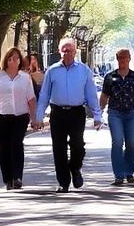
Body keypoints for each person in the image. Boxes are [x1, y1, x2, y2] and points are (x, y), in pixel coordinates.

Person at [34, 37, 102, 192]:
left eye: (70, 50)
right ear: (59, 52)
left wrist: (97, 116)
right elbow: (44, 95)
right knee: (59, 148)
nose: (67, 53)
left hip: (77, 112)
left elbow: (91, 94)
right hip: (57, 112)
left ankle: (75, 167)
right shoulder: (52, 71)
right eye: (64, 50)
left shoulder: (84, 70)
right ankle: (63, 182)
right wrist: (39, 117)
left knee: (78, 146)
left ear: (75, 51)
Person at [0, 47, 37, 190]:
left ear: (20, 61)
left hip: (20, 116)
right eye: (11, 58)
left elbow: (31, 99)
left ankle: (17, 177)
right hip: (1, 116)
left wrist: (34, 118)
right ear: (6, 60)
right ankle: (8, 179)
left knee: (17, 144)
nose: (14, 60)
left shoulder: (25, 77)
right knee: (4, 147)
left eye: (17, 58)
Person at [99, 47, 134, 185]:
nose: (122, 60)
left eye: (125, 57)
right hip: (115, 114)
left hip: (132, 114)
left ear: (129, 59)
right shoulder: (110, 77)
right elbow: (104, 96)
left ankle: (129, 173)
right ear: (117, 59)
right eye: (120, 58)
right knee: (117, 142)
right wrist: (99, 113)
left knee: (131, 143)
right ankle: (119, 175)